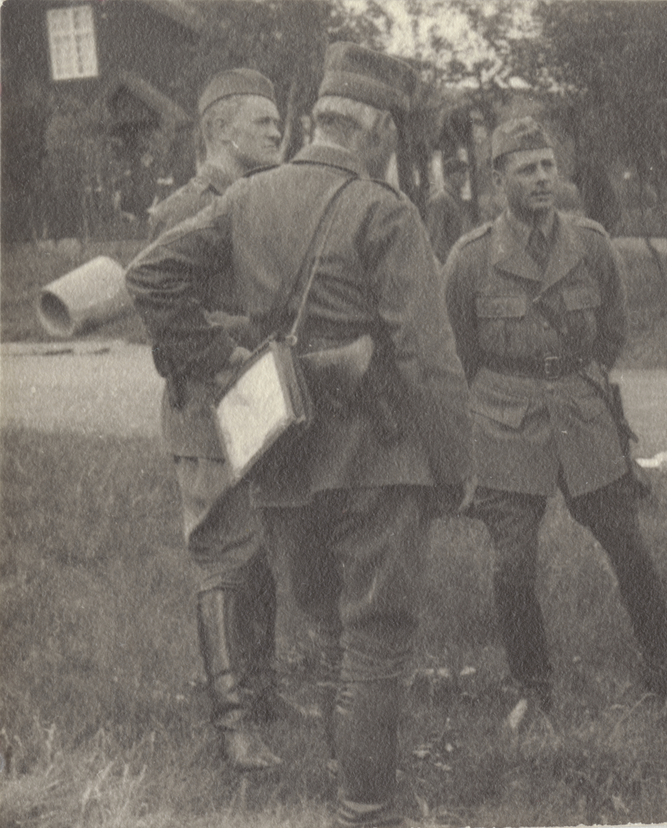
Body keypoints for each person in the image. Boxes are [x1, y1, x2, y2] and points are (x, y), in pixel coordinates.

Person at [127, 43, 474, 827]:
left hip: (281, 456)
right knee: (375, 636)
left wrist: (225, 359)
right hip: (377, 457)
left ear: (321, 117)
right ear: (375, 126)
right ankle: (366, 807)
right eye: (394, 132)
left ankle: (350, 782)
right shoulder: (385, 210)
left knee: (326, 629)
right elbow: (428, 359)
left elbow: (148, 277)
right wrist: (457, 469)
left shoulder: (248, 198)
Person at [442, 116, 667, 726]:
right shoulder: (471, 259)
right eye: (527, 169)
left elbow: (613, 332)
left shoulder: (591, 245)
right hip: (505, 422)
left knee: (629, 547)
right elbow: (457, 356)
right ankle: (534, 691)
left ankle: (666, 672)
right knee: (512, 565)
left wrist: (577, 380)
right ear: (498, 179)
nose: (542, 178)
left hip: (582, 414)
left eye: (548, 166)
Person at [144, 68, 284, 772]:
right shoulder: (183, 211)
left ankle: (262, 690)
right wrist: (232, 349)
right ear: (223, 131)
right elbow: (165, 325)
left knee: (260, 547)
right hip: (204, 404)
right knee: (222, 557)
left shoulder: (262, 198)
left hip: (258, 398)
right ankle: (233, 726)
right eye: (266, 123)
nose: (279, 133)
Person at [426, 155, 473, 264]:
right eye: (462, 173)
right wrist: (449, 264)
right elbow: (436, 240)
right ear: (451, 175)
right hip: (448, 264)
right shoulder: (440, 200)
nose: (465, 178)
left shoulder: (456, 199)